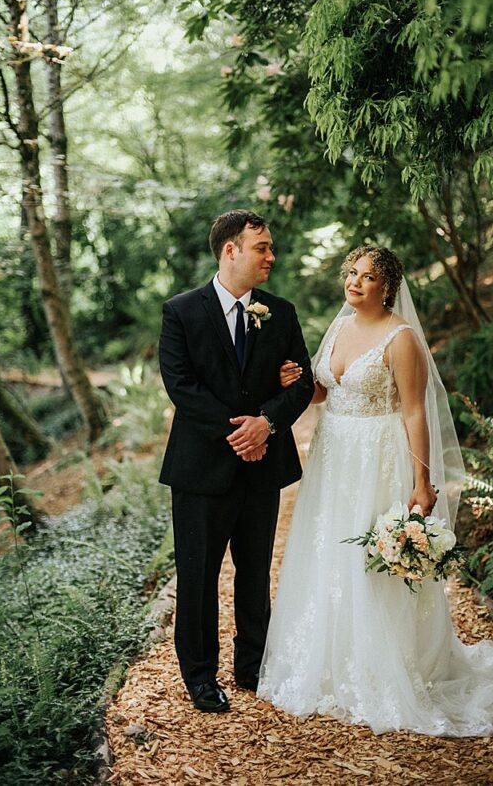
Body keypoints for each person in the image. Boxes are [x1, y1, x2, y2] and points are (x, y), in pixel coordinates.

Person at [256, 245, 493, 736]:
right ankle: (333, 657)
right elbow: (323, 390)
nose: (354, 282)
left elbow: (414, 412)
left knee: (370, 559)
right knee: (330, 550)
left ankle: (386, 664)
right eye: (352, 273)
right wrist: (295, 379)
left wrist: (423, 482)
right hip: (334, 456)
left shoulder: (401, 339)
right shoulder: (339, 326)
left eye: (368, 277)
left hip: (377, 456)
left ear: (388, 288)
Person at [158, 209, 315, 712]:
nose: (271, 256)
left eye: (270, 247)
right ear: (231, 250)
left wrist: (266, 423)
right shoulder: (180, 312)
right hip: (201, 470)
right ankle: (201, 678)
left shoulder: (281, 312)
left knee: (254, 573)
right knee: (199, 578)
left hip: (263, 466)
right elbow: (183, 388)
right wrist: (242, 432)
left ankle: (253, 667)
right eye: (262, 247)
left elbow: (304, 381)